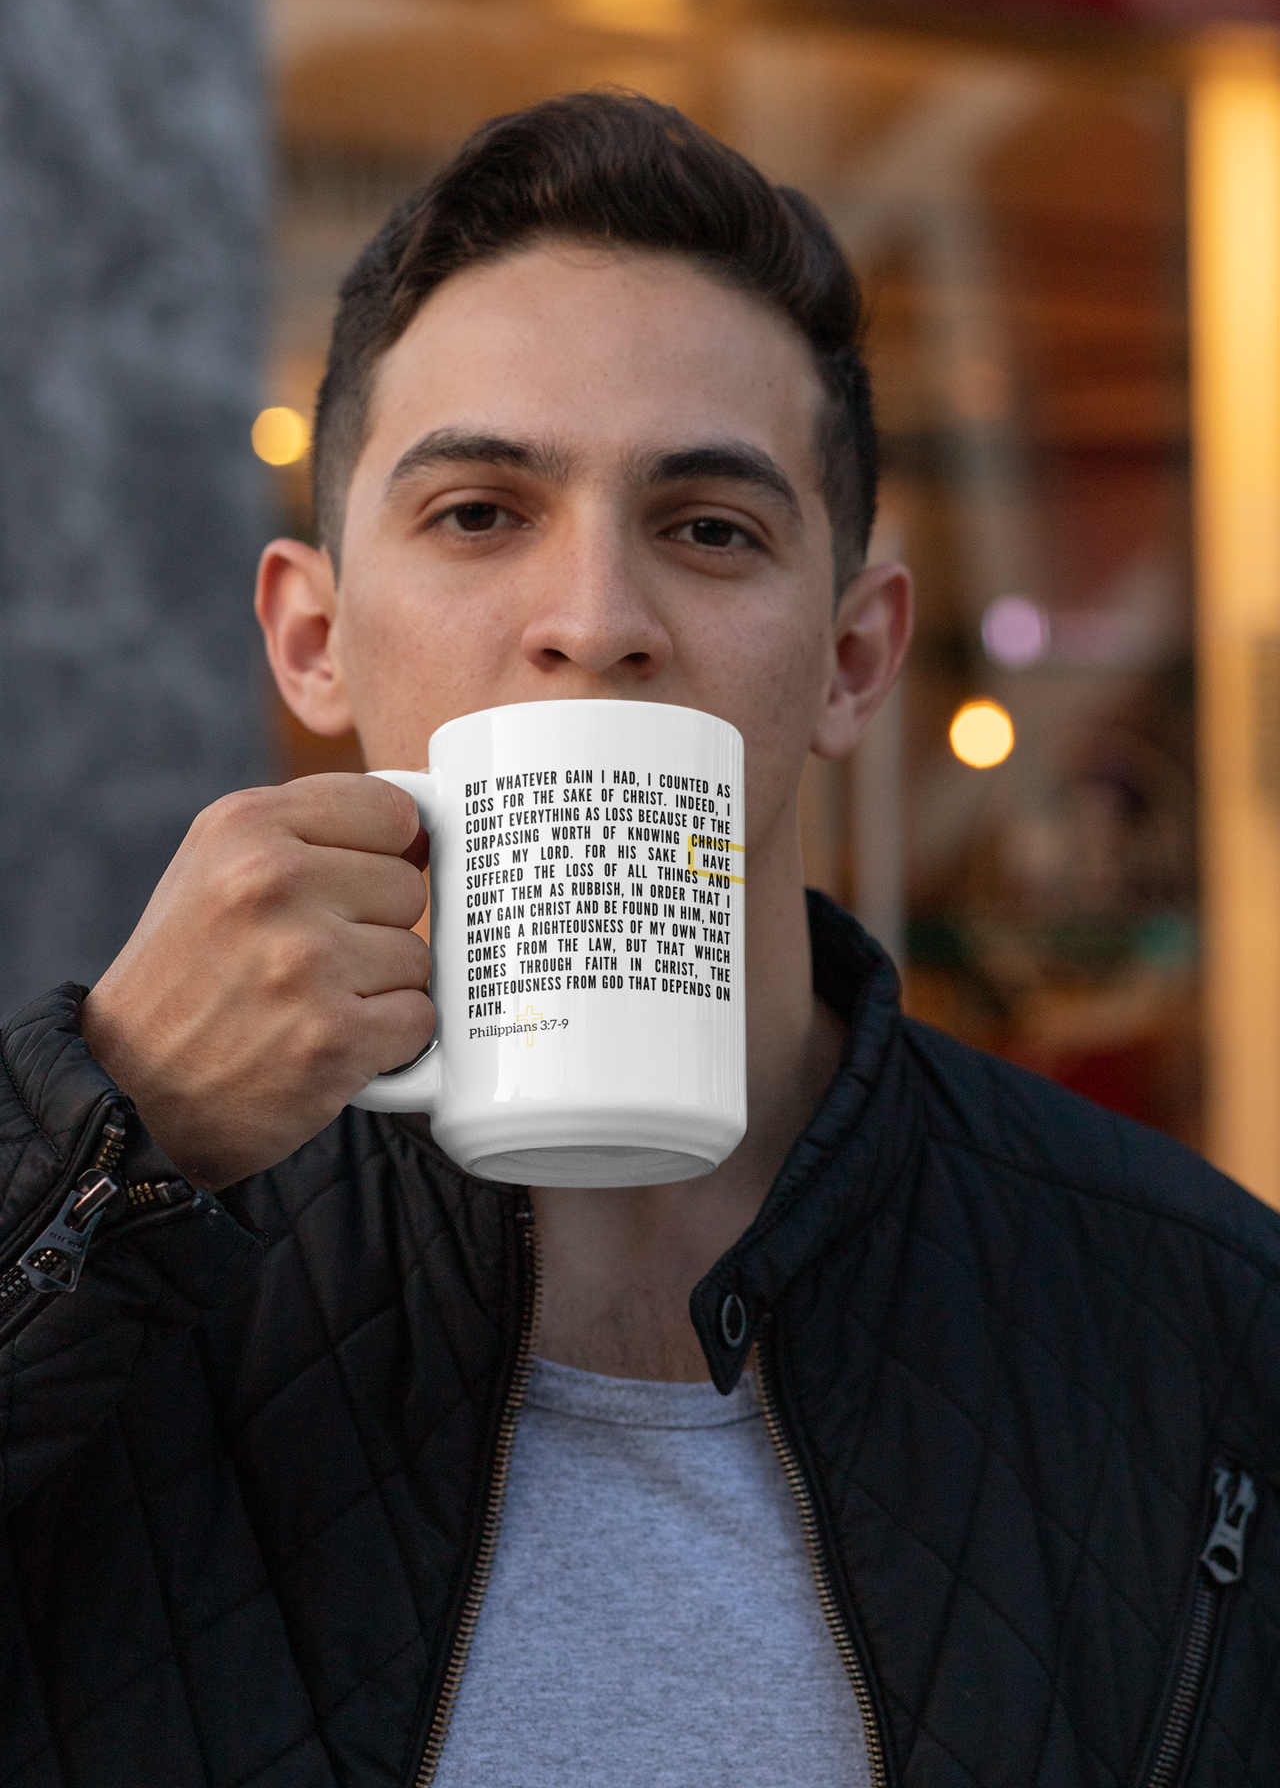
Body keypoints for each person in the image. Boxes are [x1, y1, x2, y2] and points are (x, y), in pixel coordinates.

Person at [2, 91, 1278, 1788]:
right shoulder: (116, 1228)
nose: (595, 622)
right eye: (478, 514)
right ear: (312, 638)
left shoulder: (1195, 1312)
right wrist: (100, 1148)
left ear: (852, 656)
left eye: (709, 529)